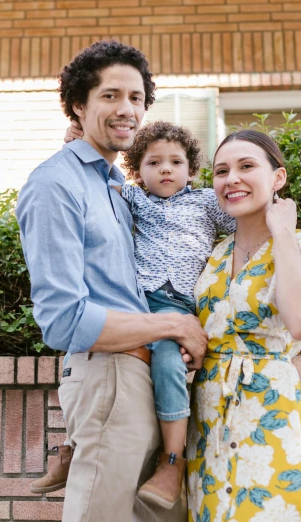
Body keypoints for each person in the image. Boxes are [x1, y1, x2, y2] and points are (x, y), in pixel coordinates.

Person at [15, 40, 206, 522]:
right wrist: (172, 328)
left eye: (137, 98)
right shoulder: (56, 184)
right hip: (110, 376)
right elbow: (64, 321)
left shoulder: (113, 185)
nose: (127, 110)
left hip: (143, 380)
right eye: (110, 96)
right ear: (79, 105)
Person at [39, 120, 236, 509]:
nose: (165, 169)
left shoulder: (205, 202)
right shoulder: (131, 197)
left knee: (167, 364)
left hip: (178, 306)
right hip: (136, 301)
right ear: (137, 170)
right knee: (85, 351)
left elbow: (244, 221)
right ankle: (72, 447)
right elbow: (90, 188)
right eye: (154, 162)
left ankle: (172, 460)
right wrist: (76, 144)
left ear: (191, 171)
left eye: (175, 162)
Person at [186, 130, 301, 522]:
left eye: (246, 166)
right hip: (206, 428)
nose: (231, 179)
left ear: (278, 178)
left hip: (270, 420)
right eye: (221, 171)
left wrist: (283, 234)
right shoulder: (212, 254)